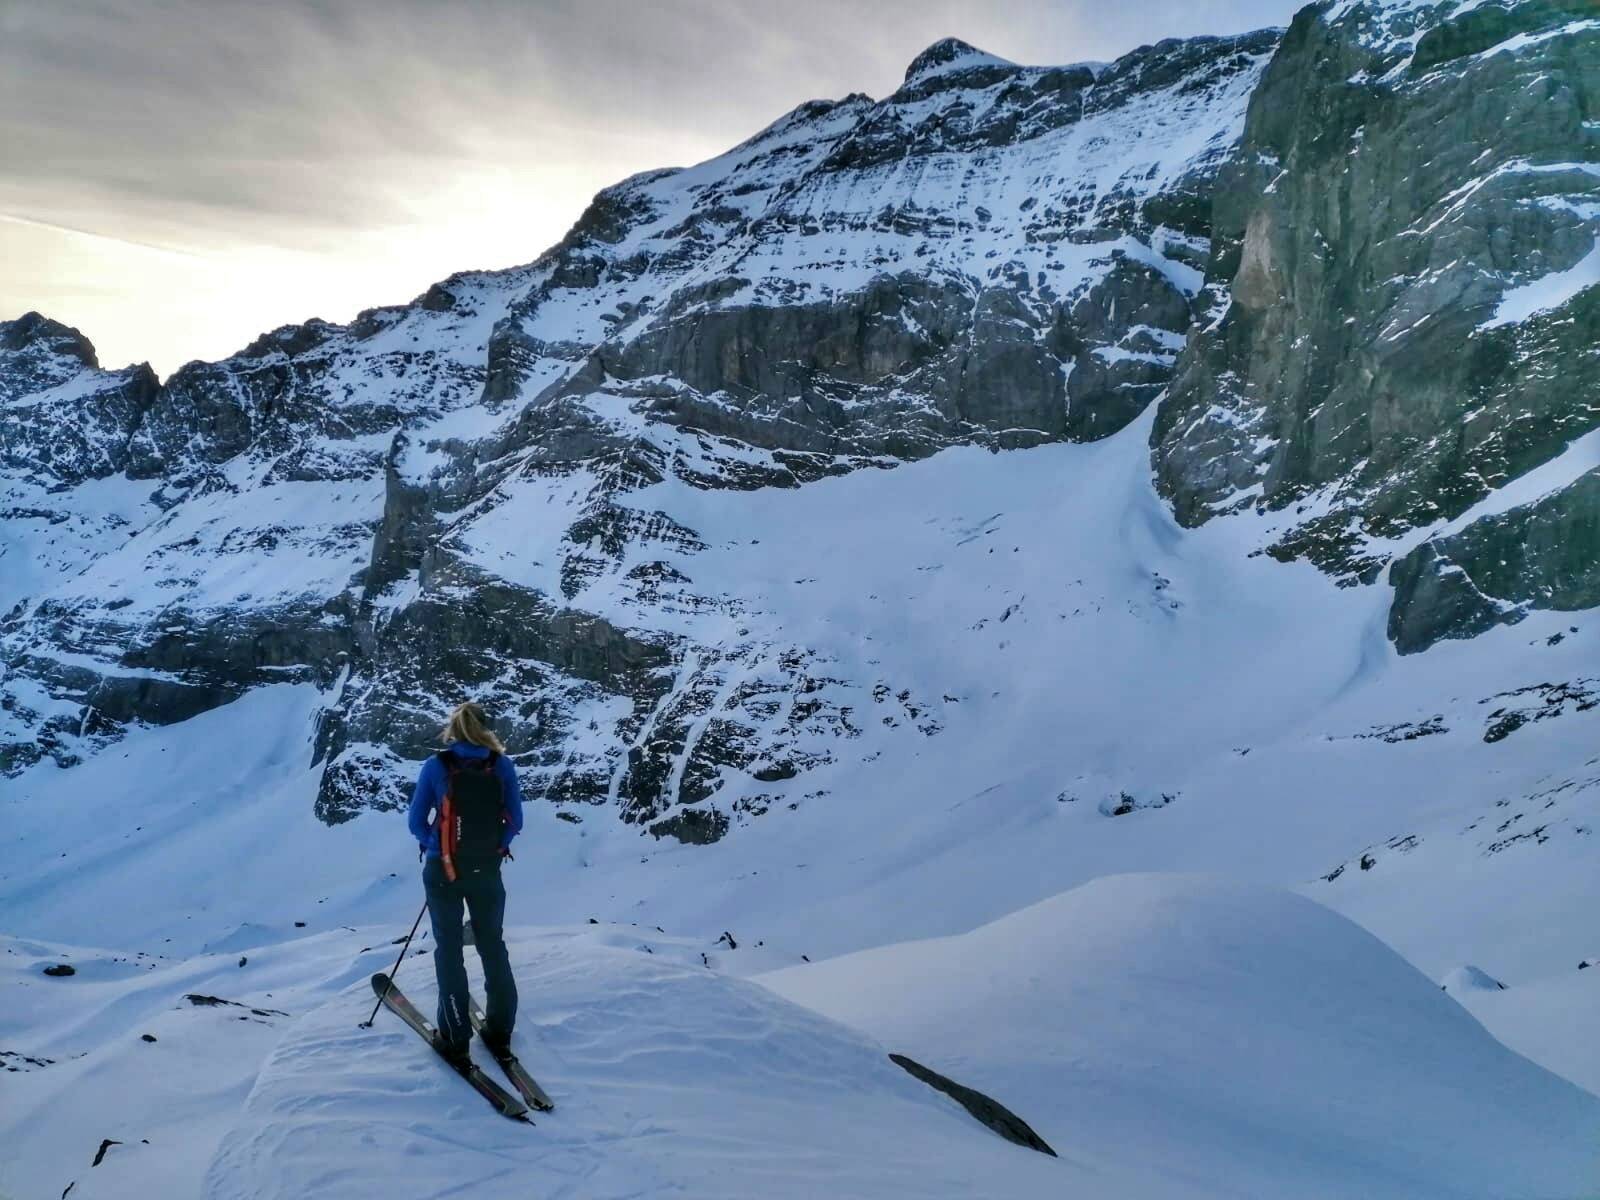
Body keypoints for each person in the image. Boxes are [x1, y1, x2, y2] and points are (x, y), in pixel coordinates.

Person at [407, 701, 524, 1065]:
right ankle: (500, 1029)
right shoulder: (501, 765)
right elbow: (516, 821)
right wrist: (495, 848)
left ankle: (455, 1036)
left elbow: (415, 821)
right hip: (486, 870)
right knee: (492, 945)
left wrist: (436, 846)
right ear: (486, 728)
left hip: (442, 871)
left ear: (453, 730)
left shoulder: (436, 766)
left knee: (449, 949)